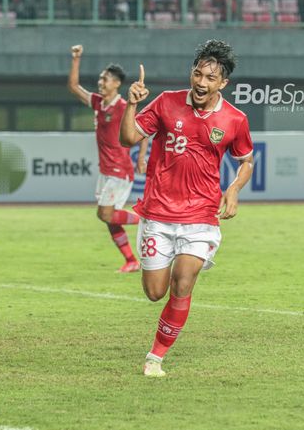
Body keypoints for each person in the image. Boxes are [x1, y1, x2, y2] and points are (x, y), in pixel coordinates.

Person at [119, 40, 254, 377]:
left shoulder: (235, 119)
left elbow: (246, 160)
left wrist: (234, 189)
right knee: (154, 292)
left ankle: (156, 356)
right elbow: (127, 139)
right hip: (158, 214)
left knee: (183, 281)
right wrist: (131, 106)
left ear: (223, 84)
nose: (201, 82)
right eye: (197, 74)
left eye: (210, 78)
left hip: (201, 218)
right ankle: (161, 337)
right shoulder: (166, 103)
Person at [67, 44, 147, 273]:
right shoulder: (98, 103)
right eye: (101, 79)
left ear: (117, 84)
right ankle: (131, 261)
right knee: (109, 218)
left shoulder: (123, 107)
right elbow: (73, 86)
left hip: (120, 170)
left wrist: (141, 157)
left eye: (106, 79)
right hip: (106, 171)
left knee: (105, 213)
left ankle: (146, 220)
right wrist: (76, 59)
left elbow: (143, 131)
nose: (101, 82)